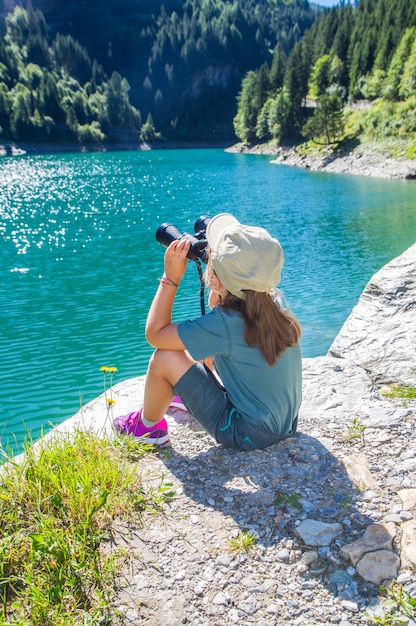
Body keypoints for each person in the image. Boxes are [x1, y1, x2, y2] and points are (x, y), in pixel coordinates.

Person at [113, 213, 302, 451]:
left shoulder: (226, 324)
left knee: (164, 356)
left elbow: (155, 334)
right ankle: (189, 393)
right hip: (284, 425)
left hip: (246, 434)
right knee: (203, 345)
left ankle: (148, 428)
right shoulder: (271, 302)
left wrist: (170, 278)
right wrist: (220, 286)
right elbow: (222, 319)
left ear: (218, 281)